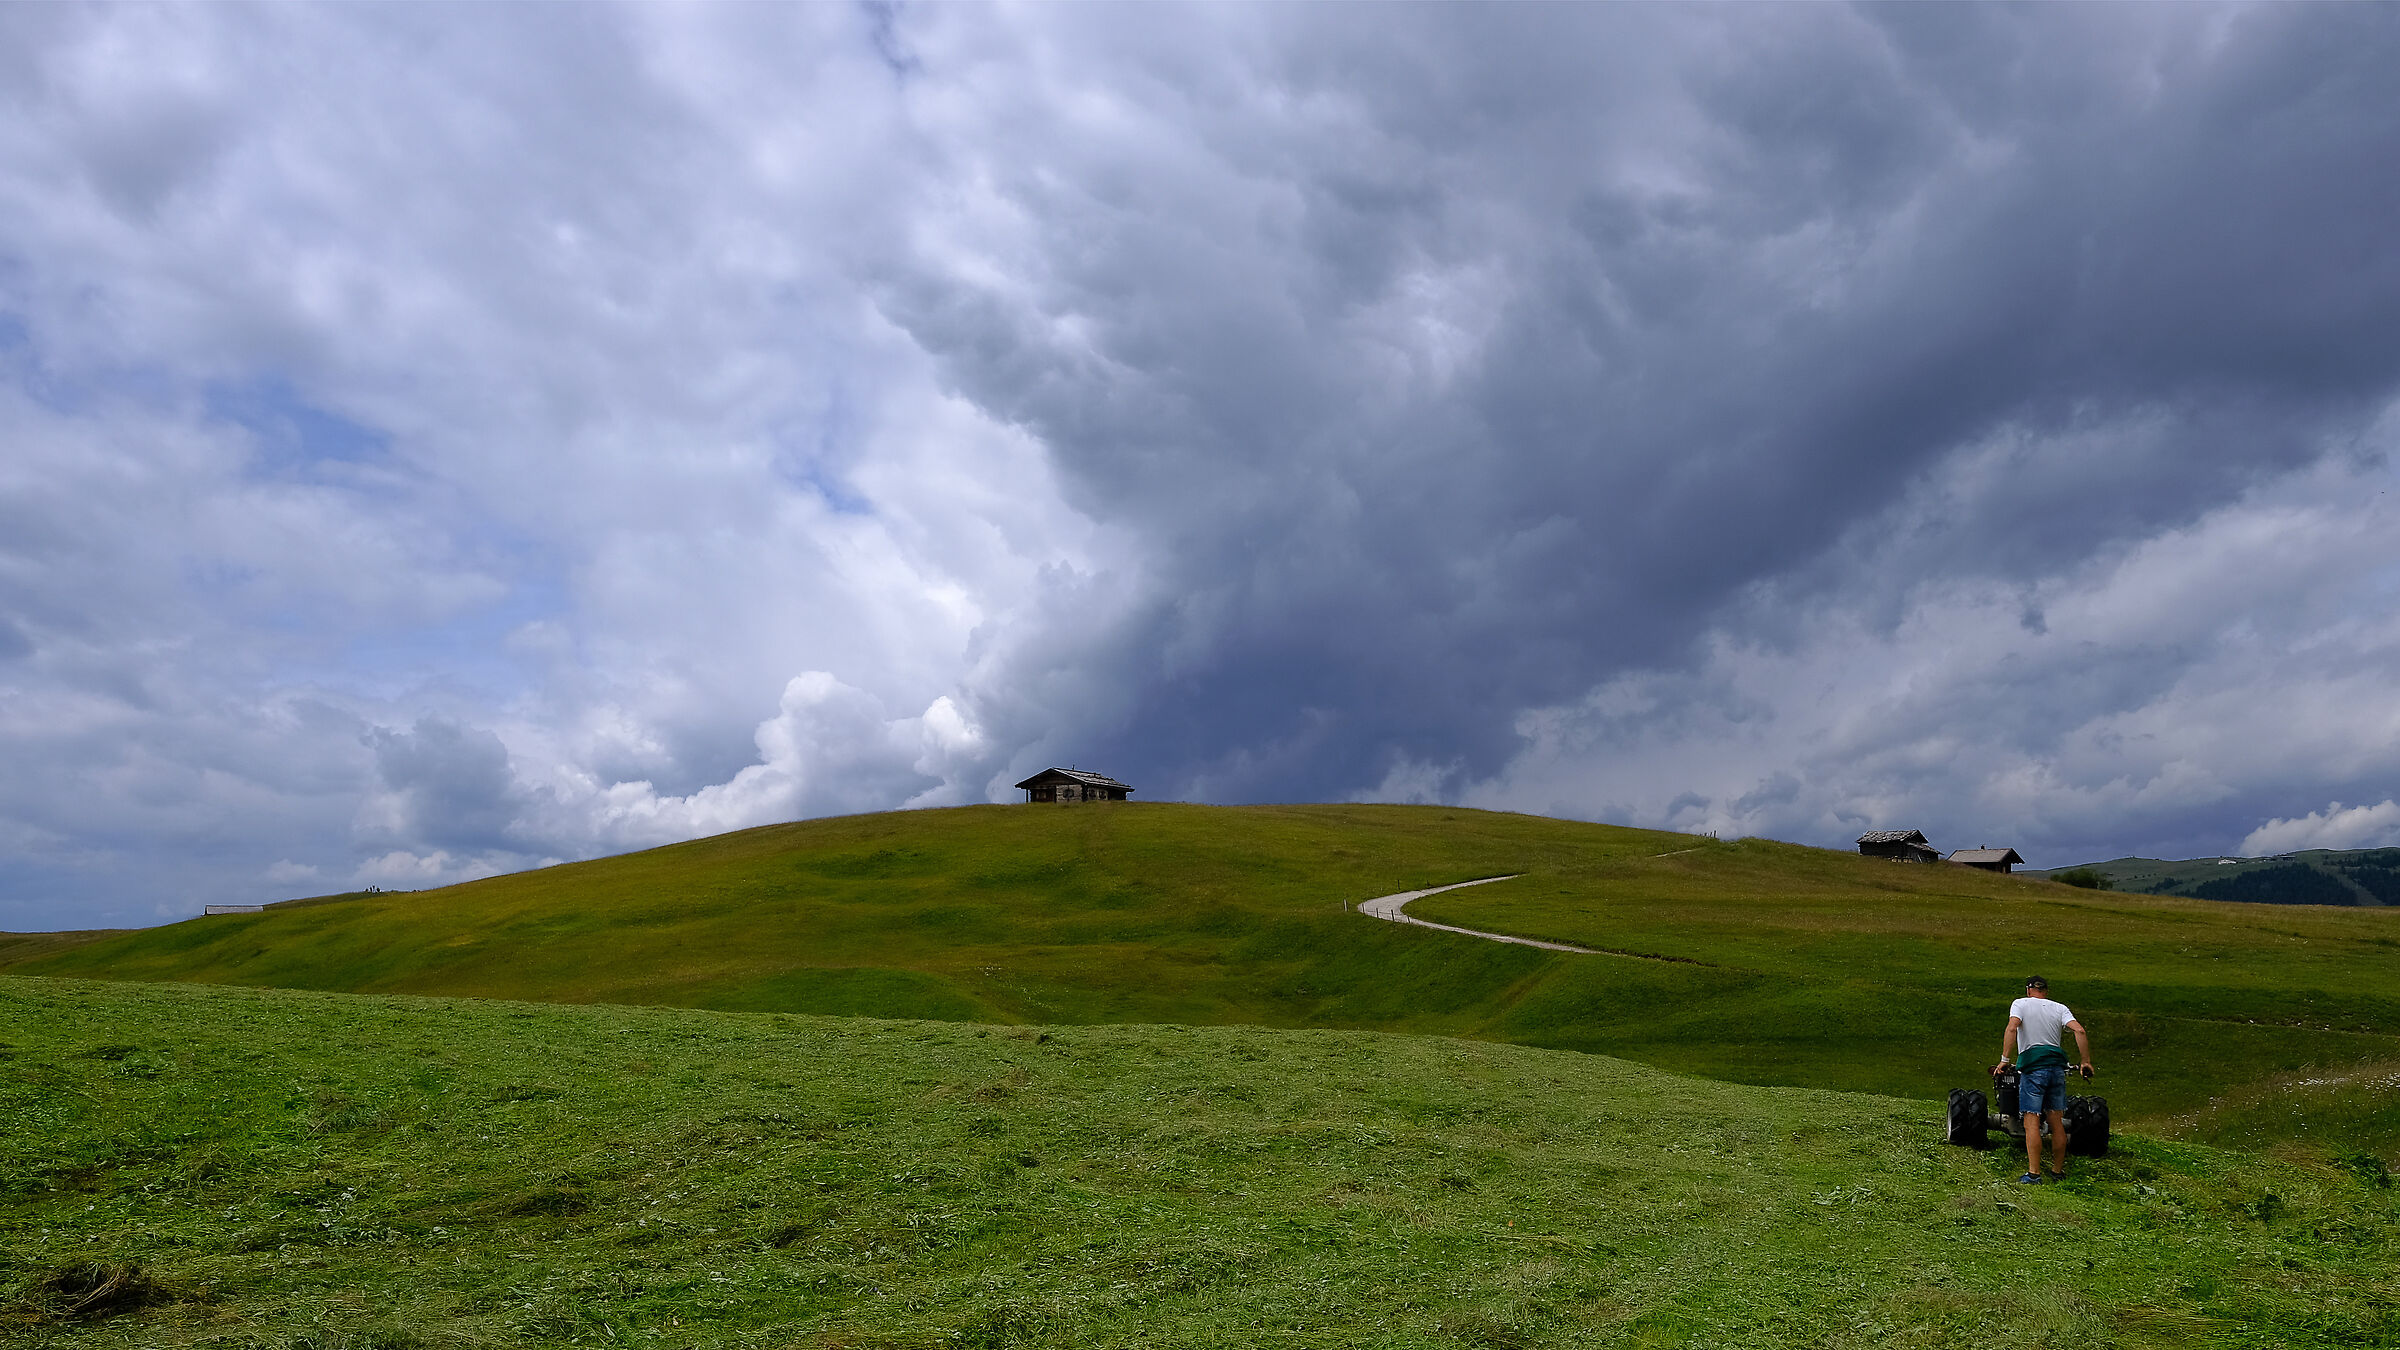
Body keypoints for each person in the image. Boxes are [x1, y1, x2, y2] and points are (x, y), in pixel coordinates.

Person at [1995, 975, 2093, 1183]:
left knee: (2031, 1120)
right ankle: (2057, 1172)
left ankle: (2034, 1174)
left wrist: (2004, 1060)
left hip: (2033, 1068)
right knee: (2056, 1121)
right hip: (2056, 1068)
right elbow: (2080, 1030)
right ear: (2046, 992)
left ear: (2028, 990)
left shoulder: (2020, 1004)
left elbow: (2012, 1027)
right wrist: (2085, 1061)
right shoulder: (2060, 1008)